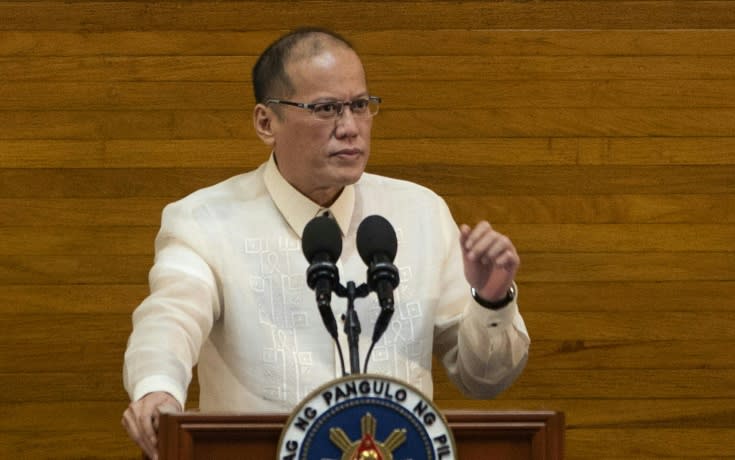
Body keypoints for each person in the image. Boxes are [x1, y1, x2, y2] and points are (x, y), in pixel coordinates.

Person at [121, 27, 529, 459]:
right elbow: (169, 319)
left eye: (360, 105)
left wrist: (490, 301)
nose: (350, 128)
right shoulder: (205, 221)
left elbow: (485, 380)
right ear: (266, 122)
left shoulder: (421, 213)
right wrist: (157, 388)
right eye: (326, 109)